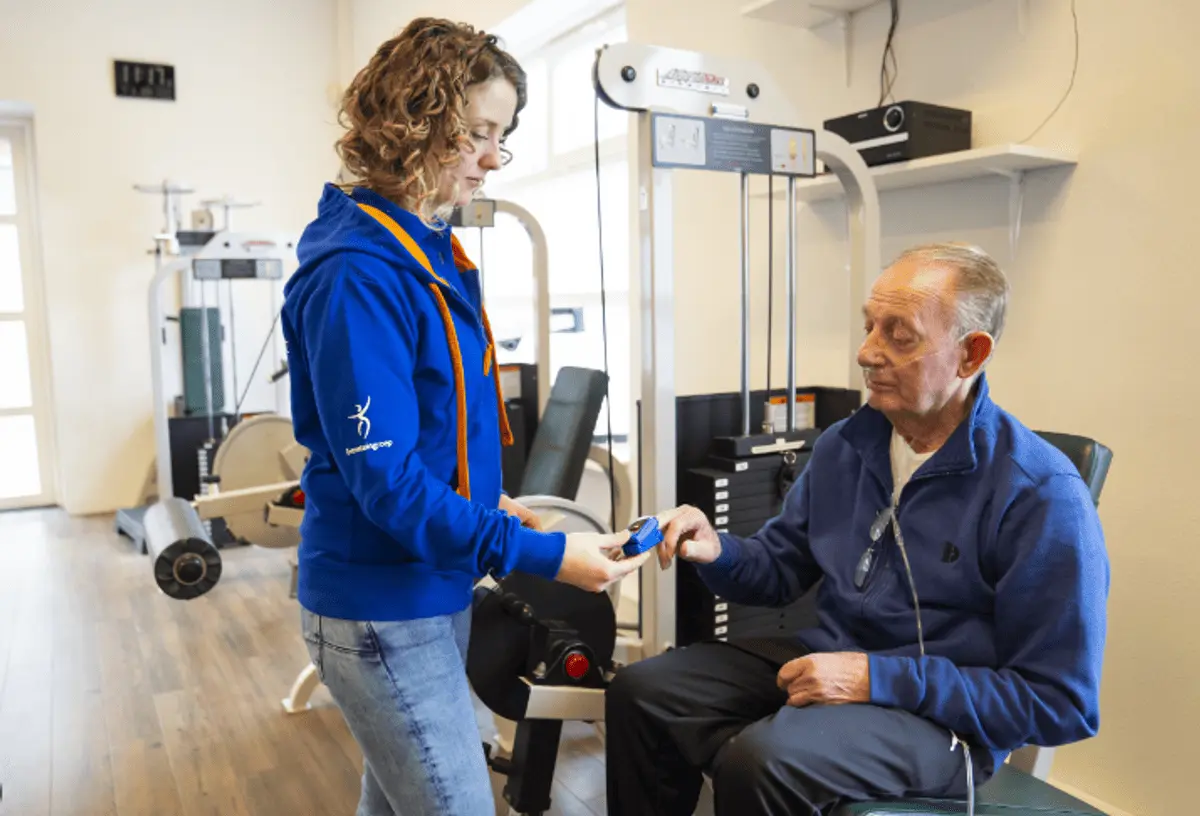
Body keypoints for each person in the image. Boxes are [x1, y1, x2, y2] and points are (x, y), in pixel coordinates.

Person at [280, 18, 649, 816]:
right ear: (413, 121)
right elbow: (386, 483)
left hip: (430, 587)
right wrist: (544, 556)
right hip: (382, 606)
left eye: (501, 137)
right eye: (477, 132)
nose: (492, 157)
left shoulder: (423, 249)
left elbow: (427, 436)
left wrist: (489, 506)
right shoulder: (357, 275)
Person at [604, 243, 1111, 815]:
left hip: (943, 721)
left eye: (900, 335)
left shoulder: (1039, 492)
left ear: (971, 354)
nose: (867, 352)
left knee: (764, 761)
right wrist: (717, 550)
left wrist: (877, 678)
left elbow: (1061, 702)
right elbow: (776, 570)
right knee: (643, 693)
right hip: (831, 658)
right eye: (870, 327)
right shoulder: (846, 445)